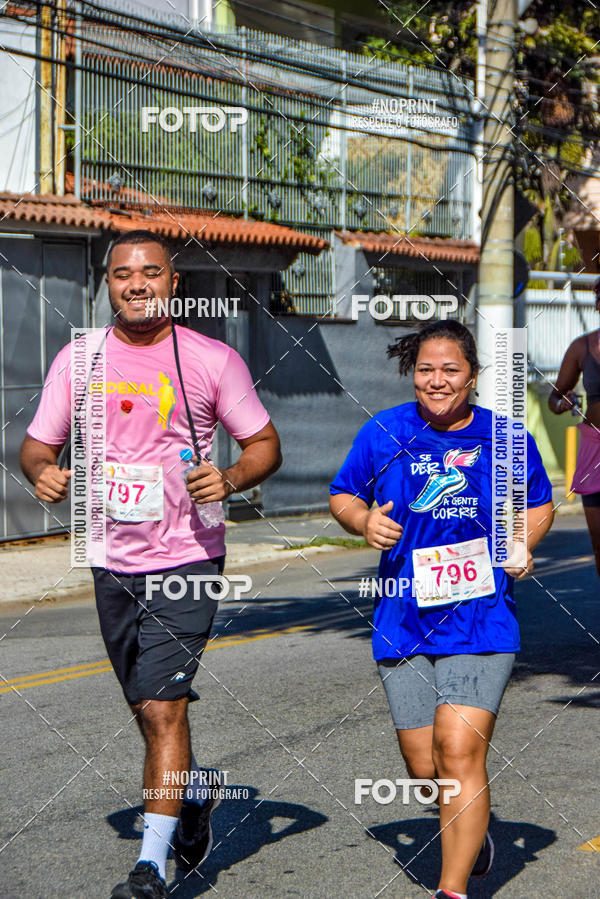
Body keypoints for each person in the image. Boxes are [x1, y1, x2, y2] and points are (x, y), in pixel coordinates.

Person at [20, 230, 282, 898]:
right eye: (122, 274)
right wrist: (44, 473)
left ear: (174, 282)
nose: (136, 284)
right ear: (108, 283)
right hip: (110, 556)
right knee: (146, 706)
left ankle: (149, 866)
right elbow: (36, 445)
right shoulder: (79, 359)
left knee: (164, 709)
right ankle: (192, 793)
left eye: (150, 273)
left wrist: (229, 477)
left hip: (188, 553)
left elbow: (264, 444)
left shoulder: (211, 359)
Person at [329, 320, 553, 899]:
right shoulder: (384, 432)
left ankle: (451, 890)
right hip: (402, 619)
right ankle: (472, 835)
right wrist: (363, 520)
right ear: (413, 373)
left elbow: (538, 502)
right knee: (425, 767)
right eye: (426, 369)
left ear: (472, 376)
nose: (436, 379)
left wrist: (524, 542)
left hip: (481, 617)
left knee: (457, 751)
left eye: (450, 369)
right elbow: (344, 493)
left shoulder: (503, 438)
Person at [549, 276, 600, 575]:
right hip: (595, 450)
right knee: (598, 543)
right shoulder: (582, 347)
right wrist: (562, 404)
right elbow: (554, 399)